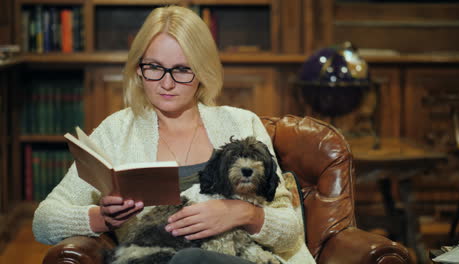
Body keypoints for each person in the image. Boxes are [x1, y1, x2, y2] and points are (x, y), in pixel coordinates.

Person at [32, 5, 315, 264]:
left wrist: (243, 213)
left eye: (181, 70)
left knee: (190, 260)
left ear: (202, 71)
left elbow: (291, 232)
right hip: (154, 258)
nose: (167, 83)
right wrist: (101, 218)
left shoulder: (241, 123)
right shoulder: (116, 131)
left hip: (237, 259)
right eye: (154, 67)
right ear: (139, 70)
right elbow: (43, 221)